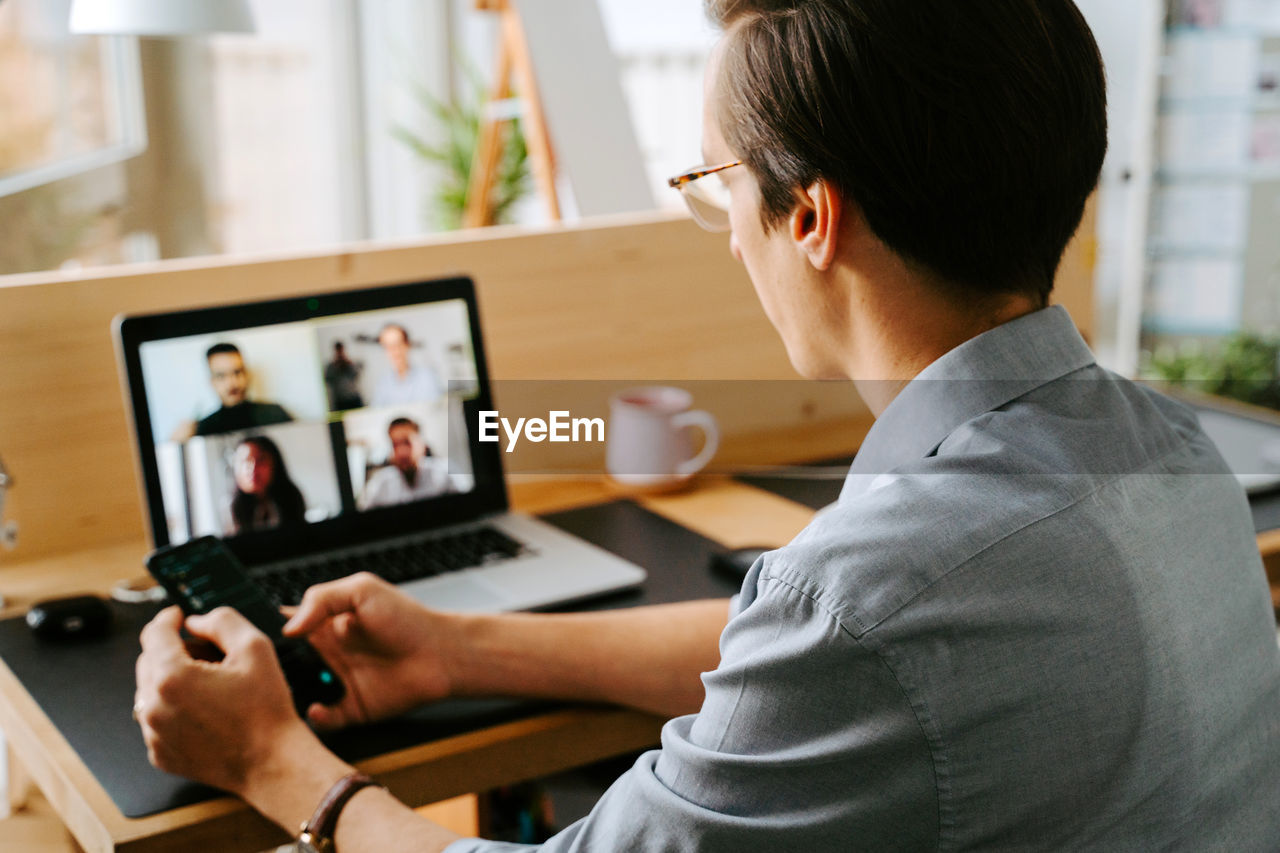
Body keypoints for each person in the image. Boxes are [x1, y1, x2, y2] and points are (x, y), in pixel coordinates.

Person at [134, 2, 1280, 851]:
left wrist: (270, 759)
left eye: (718, 186)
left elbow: (849, 640)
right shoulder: (1170, 453)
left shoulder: (877, 595)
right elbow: (833, 655)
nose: (727, 234)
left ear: (812, 217)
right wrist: (458, 647)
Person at [174, 343, 293, 439]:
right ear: (212, 382)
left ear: (246, 374)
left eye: (237, 372)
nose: (232, 383)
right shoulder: (204, 428)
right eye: (221, 376)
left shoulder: (276, 414)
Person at [358, 417, 456, 509]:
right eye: (395, 444)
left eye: (407, 442)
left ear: (422, 444)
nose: (401, 452)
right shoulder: (381, 481)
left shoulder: (445, 470)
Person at [228, 435, 307, 534]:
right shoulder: (229, 507)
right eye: (245, 461)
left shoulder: (292, 498)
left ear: (275, 464)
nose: (253, 469)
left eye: (260, 460)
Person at [370, 324, 445, 407]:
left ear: (407, 345)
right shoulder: (382, 383)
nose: (395, 352)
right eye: (388, 346)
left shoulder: (428, 376)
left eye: (398, 344)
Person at [324, 341, 365, 411]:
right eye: (338, 350)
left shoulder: (350, 363)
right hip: (340, 401)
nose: (340, 352)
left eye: (341, 350)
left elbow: (357, 375)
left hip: (354, 398)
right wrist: (336, 366)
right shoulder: (331, 366)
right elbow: (328, 380)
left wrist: (349, 364)